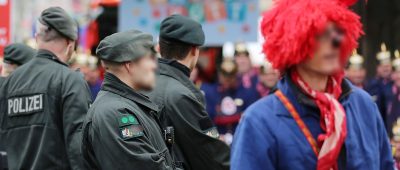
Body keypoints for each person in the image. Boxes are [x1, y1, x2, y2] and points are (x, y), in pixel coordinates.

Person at [231, 0, 394, 169]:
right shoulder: (259, 121)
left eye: (337, 33)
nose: (332, 44)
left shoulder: (363, 105)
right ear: (293, 43)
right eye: (319, 35)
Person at [0, 7, 92, 169]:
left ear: (37, 38)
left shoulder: (9, 82)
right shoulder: (69, 80)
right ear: (70, 44)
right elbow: (78, 146)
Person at [81, 29, 176, 169]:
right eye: (149, 59)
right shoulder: (115, 113)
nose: (154, 66)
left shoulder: (129, 105)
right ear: (130, 65)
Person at [148, 14, 230, 170]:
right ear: (194, 50)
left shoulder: (141, 84)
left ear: (159, 47)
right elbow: (211, 154)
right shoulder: (181, 95)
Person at [201, 59, 259, 144]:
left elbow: (252, 122)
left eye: (231, 75)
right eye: (224, 75)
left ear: (236, 74)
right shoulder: (210, 93)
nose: (227, 79)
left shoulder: (247, 93)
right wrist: (216, 137)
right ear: (219, 74)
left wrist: (237, 137)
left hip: (241, 140)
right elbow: (205, 122)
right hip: (216, 142)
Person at [366, 43, 393, 125]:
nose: (385, 68)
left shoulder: (395, 84)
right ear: (377, 68)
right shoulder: (371, 85)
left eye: (387, 66)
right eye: (382, 66)